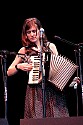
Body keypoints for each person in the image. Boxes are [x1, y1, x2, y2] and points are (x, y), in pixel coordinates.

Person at [7, 17, 70, 119]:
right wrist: (19, 66)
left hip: (53, 91)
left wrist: (69, 80)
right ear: (25, 35)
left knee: (57, 120)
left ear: (40, 31)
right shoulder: (24, 50)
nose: (32, 34)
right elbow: (9, 72)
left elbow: (59, 68)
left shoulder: (51, 47)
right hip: (35, 93)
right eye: (28, 32)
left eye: (34, 31)